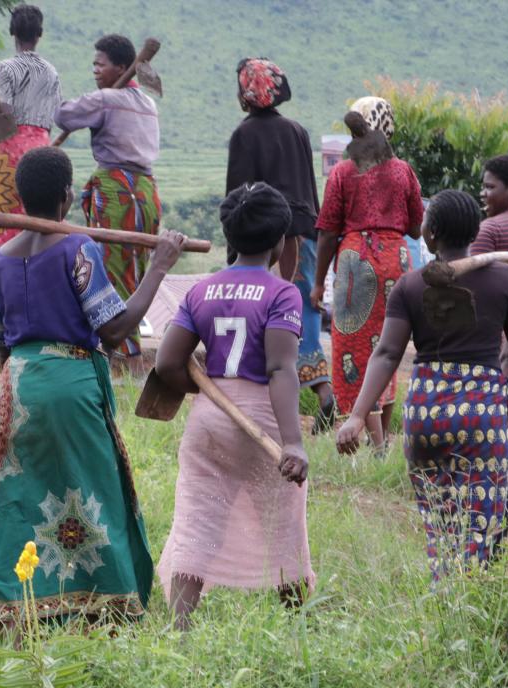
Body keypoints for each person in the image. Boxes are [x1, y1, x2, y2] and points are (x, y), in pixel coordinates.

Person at [0, 147, 184, 626]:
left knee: (17, 494)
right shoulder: (79, 248)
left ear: (18, 197)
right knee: (95, 490)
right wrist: (159, 265)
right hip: (73, 384)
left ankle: (8, 605)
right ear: (67, 198)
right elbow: (114, 331)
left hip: (20, 387)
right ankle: (106, 605)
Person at [336, 190, 508, 579]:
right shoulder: (503, 280)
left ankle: (444, 594)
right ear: (476, 231)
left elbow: (386, 353)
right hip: (481, 416)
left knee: (441, 522)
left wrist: (358, 416)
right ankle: (470, 605)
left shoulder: (411, 286)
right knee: (481, 524)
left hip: (426, 415)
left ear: (429, 236)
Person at [154, 183, 312, 630]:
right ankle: (298, 627)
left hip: (211, 415)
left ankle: (179, 629)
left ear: (229, 237)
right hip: (263, 417)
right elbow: (281, 369)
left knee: (198, 519)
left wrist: (210, 393)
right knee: (282, 525)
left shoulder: (201, 291)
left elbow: (167, 364)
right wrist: (294, 443)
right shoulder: (283, 294)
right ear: (279, 242)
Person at [225, 58, 334, 432]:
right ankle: (321, 389)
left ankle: (269, 401)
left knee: (266, 315)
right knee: (302, 312)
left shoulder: (244, 135)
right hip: (304, 235)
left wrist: (233, 252)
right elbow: (310, 192)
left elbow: (238, 196)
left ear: (246, 92)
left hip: (266, 240)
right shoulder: (297, 130)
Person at [312, 97, 423, 444]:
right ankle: (383, 437)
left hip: (355, 262)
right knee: (387, 346)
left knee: (354, 351)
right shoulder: (403, 170)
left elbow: (328, 230)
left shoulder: (344, 171)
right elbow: (417, 228)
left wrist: (317, 283)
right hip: (395, 262)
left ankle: (372, 442)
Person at [54, 34, 161, 360]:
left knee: (109, 270)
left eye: (100, 65)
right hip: (146, 194)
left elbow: (64, 116)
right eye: (94, 65)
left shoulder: (106, 99)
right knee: (132, 270)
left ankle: (118, 350)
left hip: (117, 191)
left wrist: (94, 97)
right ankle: (123, 345)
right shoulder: (147, 103)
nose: (95, 70)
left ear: (121, 68)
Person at [0, 4, 62, 264]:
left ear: (13, 33)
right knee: (39, 217)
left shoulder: (6, 68)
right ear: (40, 34)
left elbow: (4, 116)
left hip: (9, 150)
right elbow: (55, 114)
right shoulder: (51, 71)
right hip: (43, 148)